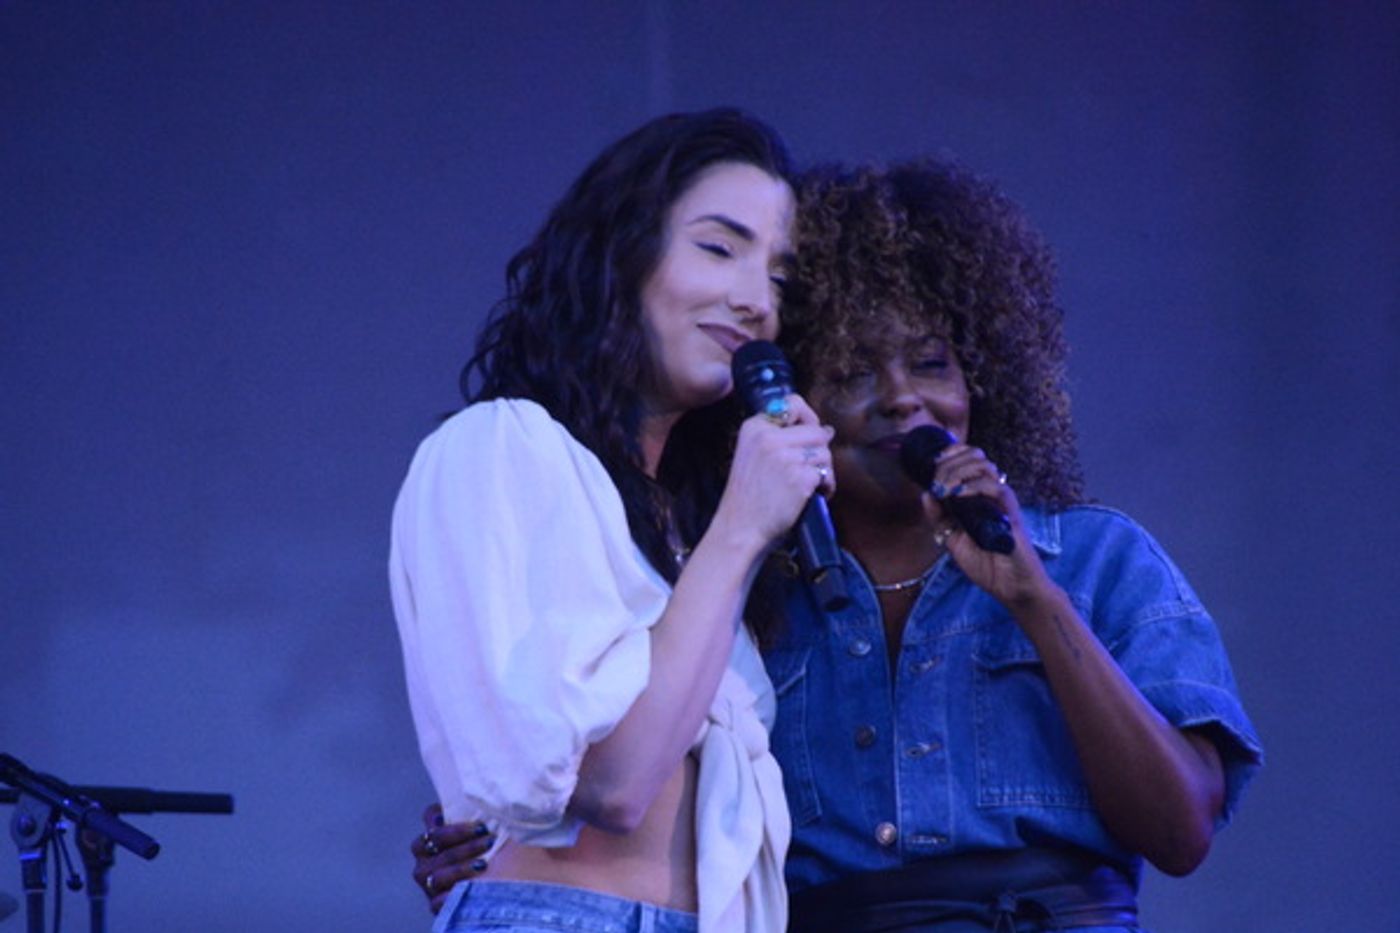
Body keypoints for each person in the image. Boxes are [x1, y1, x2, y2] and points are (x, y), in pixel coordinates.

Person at [411, 157, 1263, 932]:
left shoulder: (1095, 558)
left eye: (931, 363)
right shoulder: (742, 592)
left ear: (986, 378)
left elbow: (1181, 830)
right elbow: (632, 769)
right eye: (854, 372)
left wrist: (1037, 601)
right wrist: (504, 839)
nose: (902, 399)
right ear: (787, 402)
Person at [390, 108, 835, 933]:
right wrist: (743, 525)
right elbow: (614, 785)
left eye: (778, 278)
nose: (754, 301)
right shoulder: (501, 447)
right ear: (622, 253)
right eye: (719, 248)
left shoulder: (679, 524)